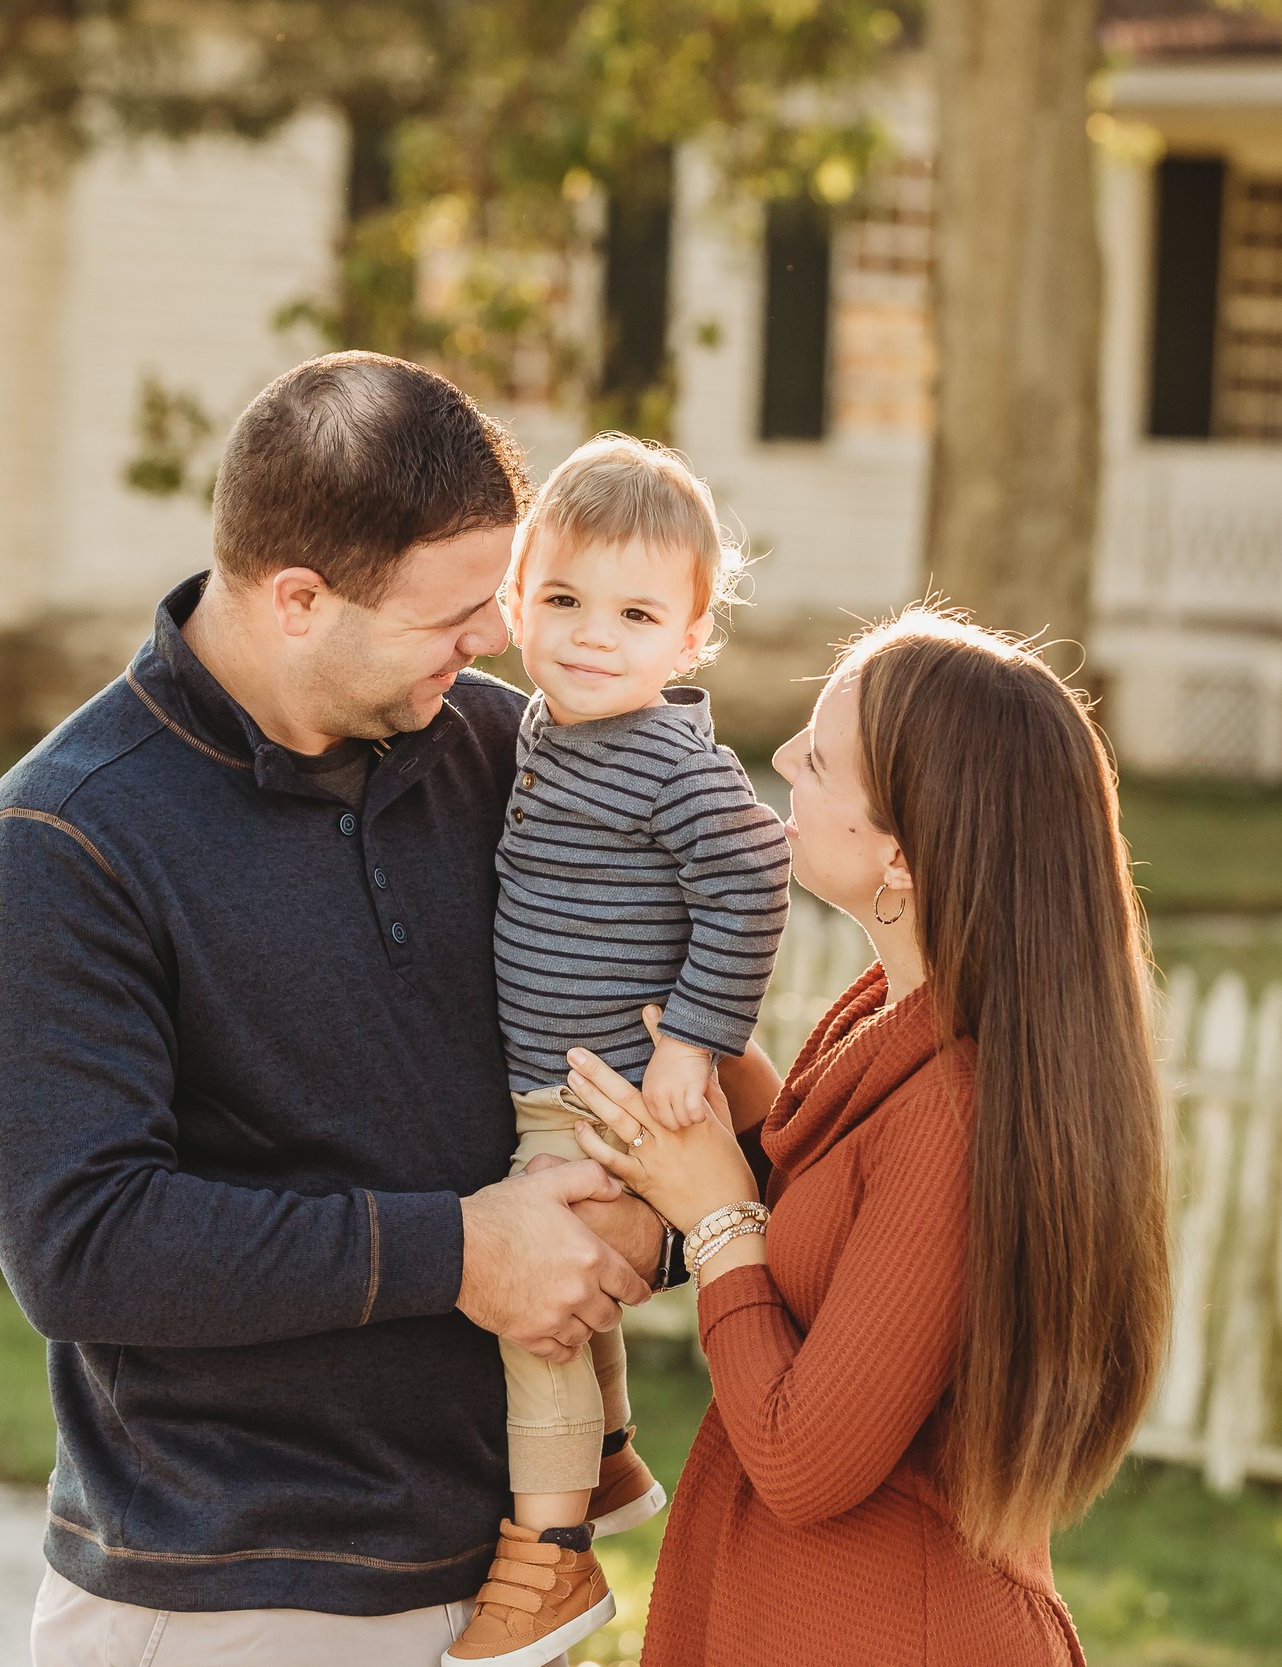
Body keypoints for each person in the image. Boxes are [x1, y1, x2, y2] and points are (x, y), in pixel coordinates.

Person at [0, 352, 693, 1667]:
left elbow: (634, 1044)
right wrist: (462, 1251)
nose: (497, 640)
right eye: (455, 612)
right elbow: (84, 1243)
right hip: (231, 1598)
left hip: (517, 1588)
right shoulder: (65, 836)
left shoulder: (512, 760)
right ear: (298, 598)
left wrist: (649, 1213)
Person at [564, 607, 1174, 1667]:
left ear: (900, 849)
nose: (784, 757)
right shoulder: (894, 1029)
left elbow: (803, 1458)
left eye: (823, 756)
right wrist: (681, 1027)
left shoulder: (958, 1111)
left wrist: (717, 1223)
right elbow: (812, 1177)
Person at [446, 437, 791, 1667]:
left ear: (691, 640)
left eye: (636, 614)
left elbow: (755, 874)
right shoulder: (549, 720)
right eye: (564, 600)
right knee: (573, 1285)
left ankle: (552, 1563)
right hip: (558, 1080)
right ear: (516, 601)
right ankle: (601, 1462)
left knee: (533, 1313)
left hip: (600, 1094)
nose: (593, 636)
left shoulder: (660, 757)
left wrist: (698, 1036)